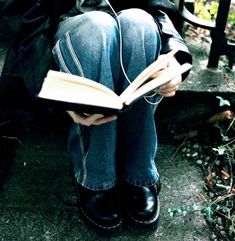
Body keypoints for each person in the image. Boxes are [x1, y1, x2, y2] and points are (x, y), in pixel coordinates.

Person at [0, 0, 192, 236]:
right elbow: (23, 15)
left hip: (129, 23)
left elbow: (159, 7)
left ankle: (138, 173)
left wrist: (174, 55)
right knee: (97, 27)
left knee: (139, 22)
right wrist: (56, 88)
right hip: (69, 28)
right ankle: (96, 178)